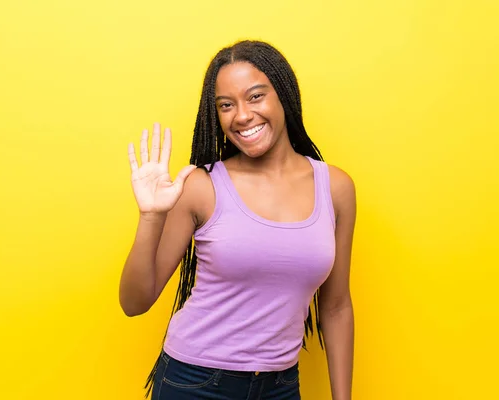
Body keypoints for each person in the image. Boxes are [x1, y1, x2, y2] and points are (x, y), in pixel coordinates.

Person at [120, 40, 356, 400]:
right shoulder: (202, 186)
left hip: (280, 386)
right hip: (194, 383)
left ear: (284, 96)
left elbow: (336, 306)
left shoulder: (336, 188)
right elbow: (134, 303)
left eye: (256, 96)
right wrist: (151, 216)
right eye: (226, 106)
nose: (242, 115)